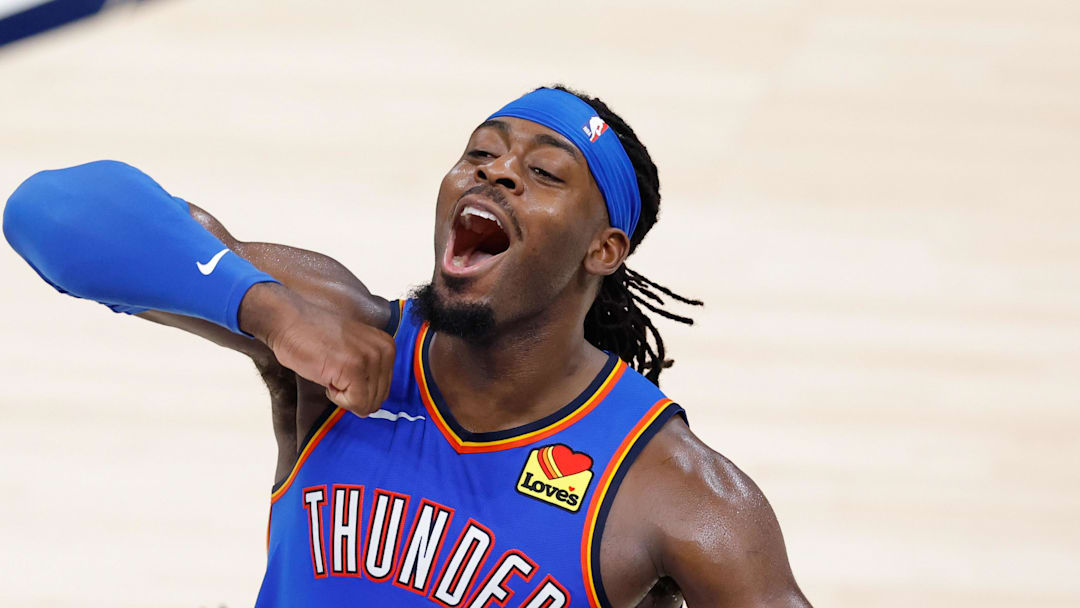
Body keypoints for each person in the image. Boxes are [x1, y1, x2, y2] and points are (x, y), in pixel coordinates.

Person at [3, 86, 811, 607]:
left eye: (545, 172)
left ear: (604, 250)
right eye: (480, 152)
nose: (494, 174)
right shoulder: (342, 338)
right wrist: (265, 311)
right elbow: (48, 210)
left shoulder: (676, 494)